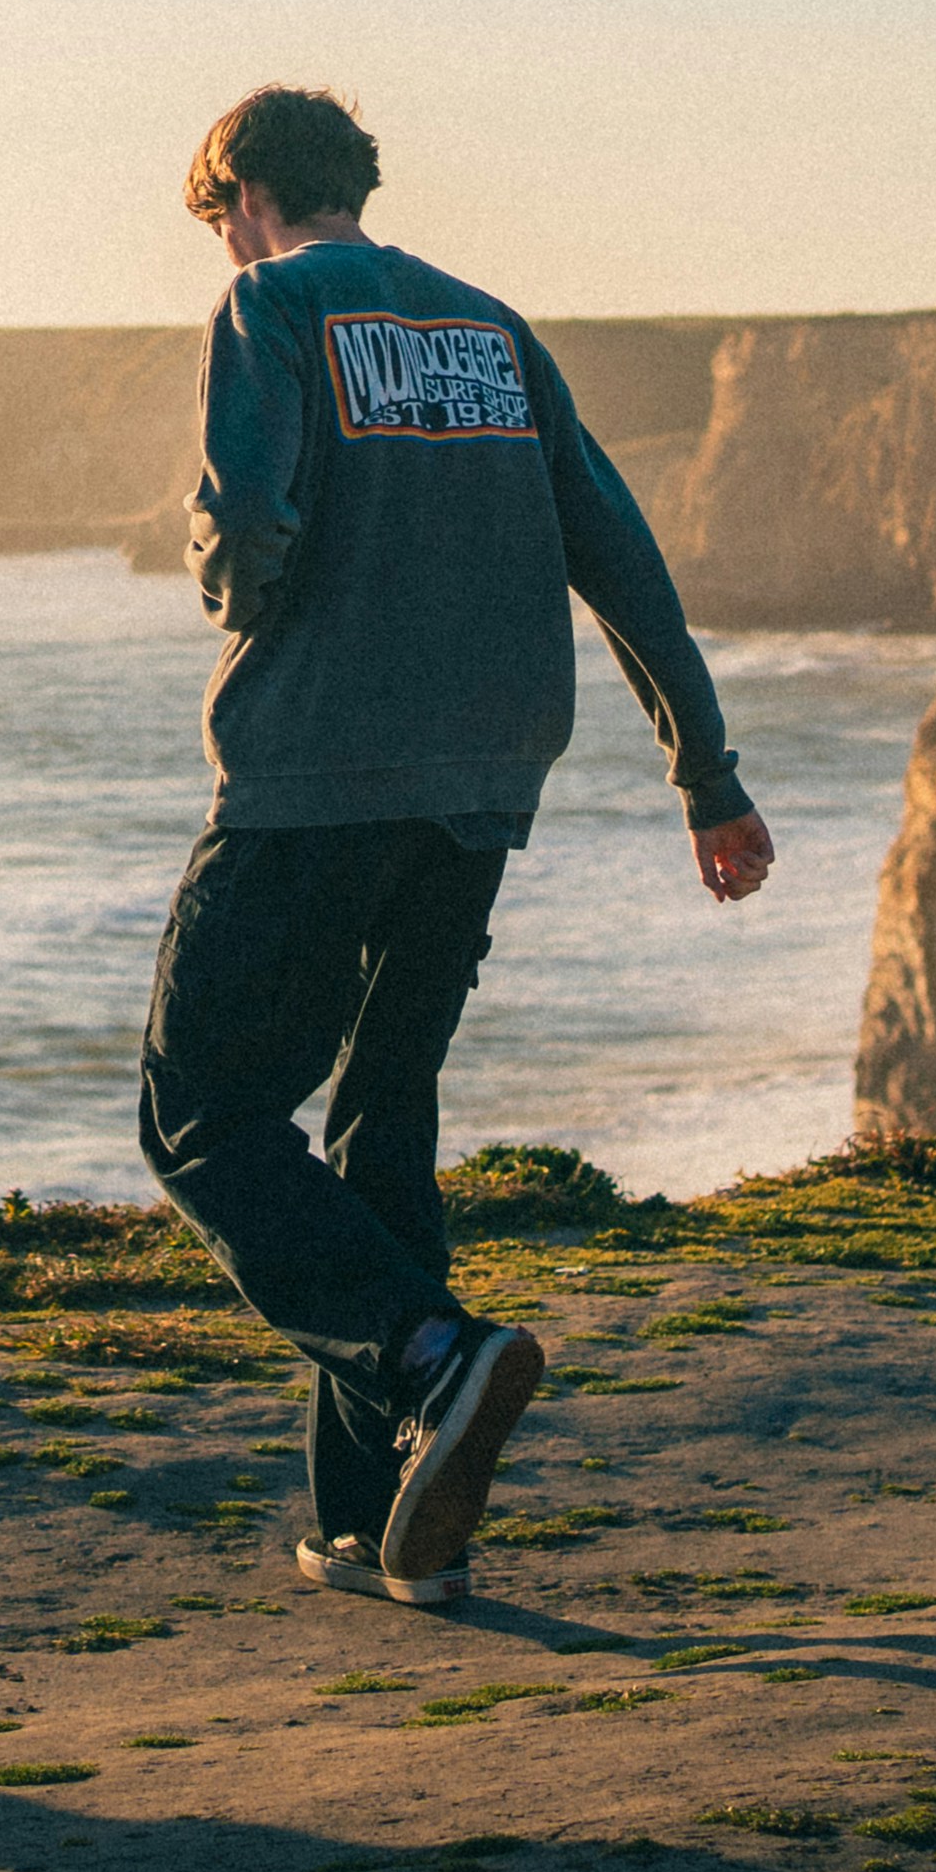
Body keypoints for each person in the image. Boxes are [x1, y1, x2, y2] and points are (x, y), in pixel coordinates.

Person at [138, 86, 770, 1608]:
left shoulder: (267, 302)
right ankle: (383, 1526)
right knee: (378, 1128)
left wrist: (221, 567)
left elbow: (248, 530)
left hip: (313, 777)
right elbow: (616, 550)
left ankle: (437, 1357)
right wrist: (705, 772)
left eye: (216, 214)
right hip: (483, 784)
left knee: (203, 1117)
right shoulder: (488, 328)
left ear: (241, 196)